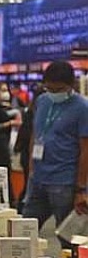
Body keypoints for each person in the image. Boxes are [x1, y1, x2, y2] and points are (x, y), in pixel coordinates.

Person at [22, 61, 88, 244]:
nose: (53, 93)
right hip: (38, 179)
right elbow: (36, 134)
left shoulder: (82, 108)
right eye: (49, 88)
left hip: (64, 182)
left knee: (68, 238)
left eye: (58, 89)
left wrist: (81, 189)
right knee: (23, 232)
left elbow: (85, 150)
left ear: (70, 85)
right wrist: (31, 168)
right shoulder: (42, 101)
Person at [0, 82, 21, 197]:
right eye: (3, 90)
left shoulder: (1, 106)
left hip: (3, 142)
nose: (6, 93)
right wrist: (10, 123)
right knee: (1, 171)